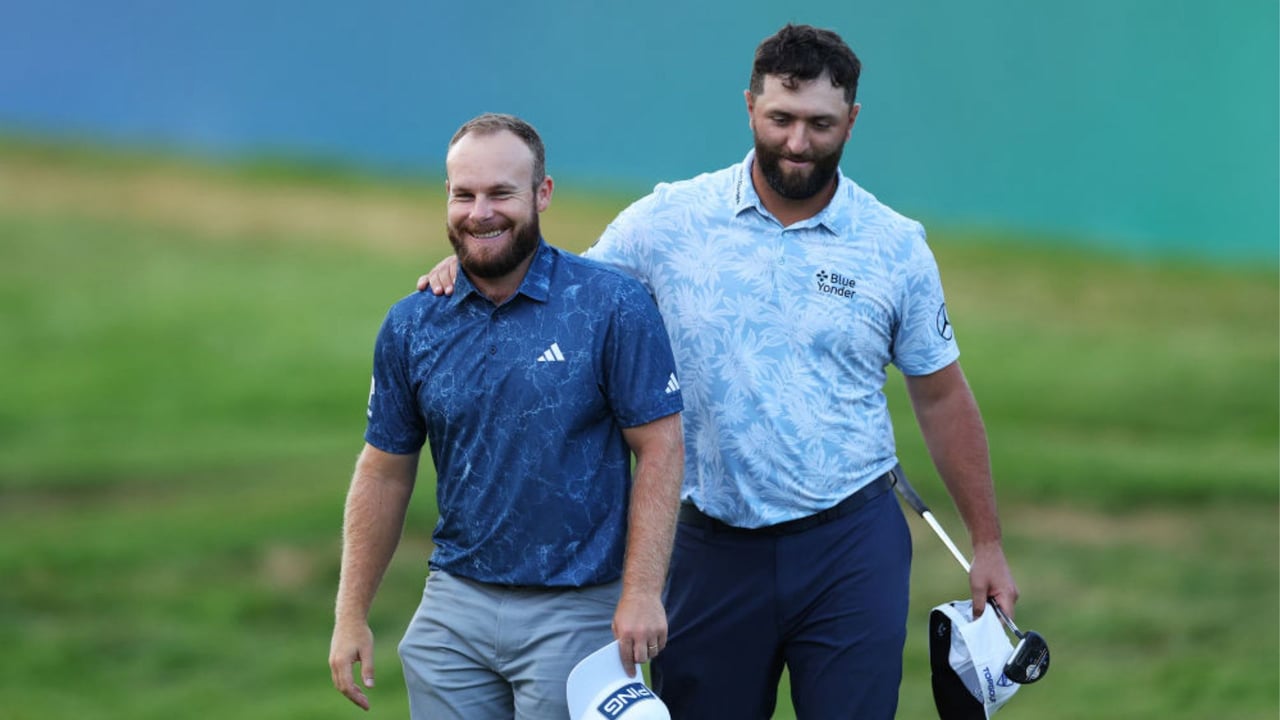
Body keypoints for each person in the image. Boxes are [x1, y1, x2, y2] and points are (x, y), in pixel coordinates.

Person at [421, 24, 1019, 720]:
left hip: (850, 543)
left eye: (821, 124)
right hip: (707, 546)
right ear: (749, 108)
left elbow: (942, 396)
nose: (798, 142)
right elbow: (566, 294)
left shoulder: (895, 248)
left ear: (851, 120)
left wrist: (988, 543)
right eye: (781, 119)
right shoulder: (669, 221)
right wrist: (474, 268)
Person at [330, 112, 685, 719]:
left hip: (577, 611)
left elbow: (661, 448)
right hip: (453, 609)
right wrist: (349, 615)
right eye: (464, 194)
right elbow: (385, 471)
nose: (481, 212)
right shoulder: (413, 324)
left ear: (542, 195)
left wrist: (642, 592)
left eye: (501, 193)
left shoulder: (610, 305)